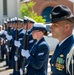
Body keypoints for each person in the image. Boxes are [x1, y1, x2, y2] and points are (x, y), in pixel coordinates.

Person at [49, 5, 74, 75]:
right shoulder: (61, 45)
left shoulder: (72, 51)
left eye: (55, 25)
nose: (50, 28)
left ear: (67, 27)